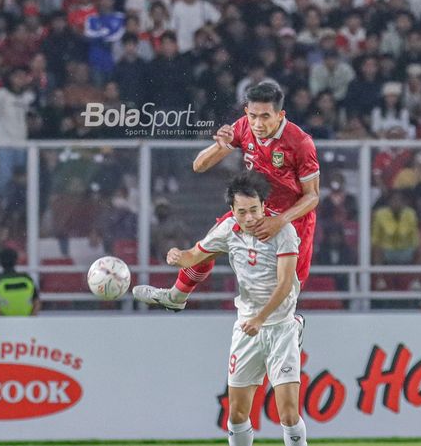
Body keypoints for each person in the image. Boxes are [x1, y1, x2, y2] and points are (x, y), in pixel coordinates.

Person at [133, 82, 320, 311]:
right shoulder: (242, 127)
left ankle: (292, 323)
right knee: (208, 246)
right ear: (246, 112)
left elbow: (312, 196)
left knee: (287, 293)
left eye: (265, 116)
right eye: (253, 116)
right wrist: (218, 147)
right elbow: (198, 166)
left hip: (291, 219)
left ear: (280, 115)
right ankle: (176, 296)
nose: (258, 123)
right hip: (254, 209)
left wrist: (280, 220)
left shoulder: (300, 142)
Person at [163, 172, 307, 446]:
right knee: (238, 413)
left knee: (287, 414)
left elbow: (286, 283)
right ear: (232, 210)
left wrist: (260, 318)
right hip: (246, 330)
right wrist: (177, 256)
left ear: (264, 205)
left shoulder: (283, 232)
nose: (250, 217)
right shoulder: (229, 228)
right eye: (242, 212)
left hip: (280, 328)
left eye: (254, 210)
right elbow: (194, 255)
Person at [0, 247, 40, 316]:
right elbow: (36, 301)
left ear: (0, 262)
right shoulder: (27, 279)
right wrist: (32, 317)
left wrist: (2, 319)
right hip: (26, 320)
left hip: (5, 322)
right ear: (16, 260)